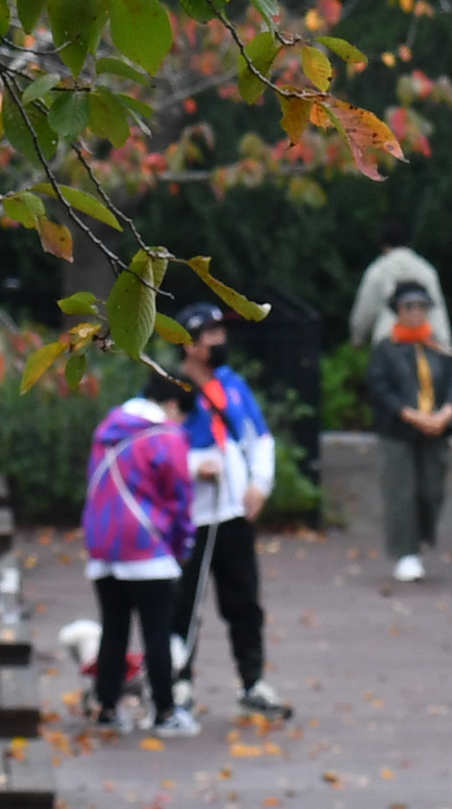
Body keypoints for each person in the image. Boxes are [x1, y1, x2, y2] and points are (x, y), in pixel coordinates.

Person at [169, 303, 292, 718]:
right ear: (188, 343)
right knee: (184, 602)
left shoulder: (234, 385)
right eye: (210, 334)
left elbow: (260, 437)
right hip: (190, 518)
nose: (220, 340)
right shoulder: (170, 387)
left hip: (233, 514)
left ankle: (252, 681)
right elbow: (153, 446)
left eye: (222, 332)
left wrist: (261, 483)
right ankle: (178, 680)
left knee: (244, 600)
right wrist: (192, 467)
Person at [82, 368, 200, 737]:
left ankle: (107, 707)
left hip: (104, 544)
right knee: (157, 632)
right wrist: (182, 545)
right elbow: (180, 497)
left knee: (113, 630)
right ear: (172, 404)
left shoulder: (108, 430)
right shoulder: (167, 437)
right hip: (147, 546)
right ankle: (165, 712)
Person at [366, 281, 452, 582]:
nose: (416, 313)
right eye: (409, 307)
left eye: (422, 307)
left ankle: (419, 539)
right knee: (401, 493)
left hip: (435, 430)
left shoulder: (438, 347)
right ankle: (406, 554)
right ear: (397, 311)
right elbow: (379, 388)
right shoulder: (386, 349)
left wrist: (446, 413)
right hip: (398, 432)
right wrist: (410, 415)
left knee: (431, 491)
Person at [349, 222, 452, 353]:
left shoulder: (377, 270)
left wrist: (357, 341)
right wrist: (445, 345)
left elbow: (365, 311)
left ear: (384, 245)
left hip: (388, 343)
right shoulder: (426, 270)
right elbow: (437, 311)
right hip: (426, 343)